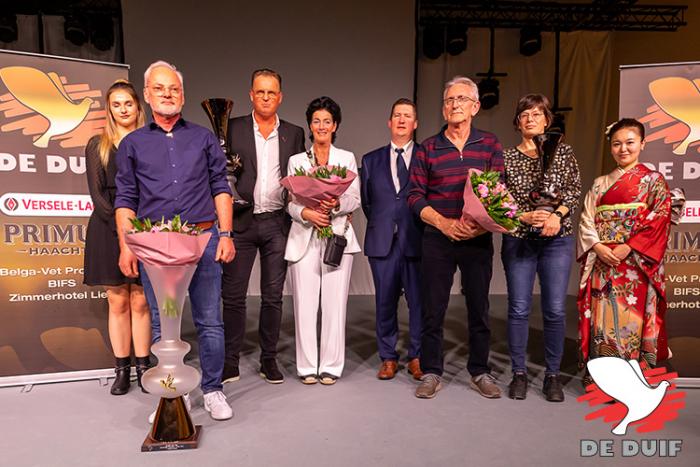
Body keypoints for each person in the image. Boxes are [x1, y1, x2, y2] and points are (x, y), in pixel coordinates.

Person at [115, 60, 235, 421]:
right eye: (160, 88)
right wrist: (126, 245)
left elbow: (220, 187)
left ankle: (213, 390)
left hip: (203, 239)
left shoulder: (203, 138)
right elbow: (125, 198)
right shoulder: (133, 143)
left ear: (182, 95)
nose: (168, 94)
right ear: (148, 94)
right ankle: (170, 394)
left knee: (210, 320)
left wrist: (225, 234)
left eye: (174, 89)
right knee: (162, 324)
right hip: (154, 247)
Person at [407, 76, 503, 400]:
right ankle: (432, 371)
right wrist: (444, 224)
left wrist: (478, 225)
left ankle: (480, 370)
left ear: (475, 106)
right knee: (433, 309)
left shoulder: (489, 145)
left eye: (461, 99)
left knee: (479, 308)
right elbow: (415, 197)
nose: (454, 105)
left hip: (477, 240)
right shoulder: (428, 148)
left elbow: (498, 196)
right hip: (437, 239)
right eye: (449, 100)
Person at [221, 69, 305, 385]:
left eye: (272, 92)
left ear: (280, 97)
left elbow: (300, 177)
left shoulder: (294, 133)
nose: (266, 98)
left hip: (276, 224)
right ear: (251, 95)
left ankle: (268, 359)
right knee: (233, 296)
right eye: (261, 92)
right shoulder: (231, 128)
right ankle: (230, 361)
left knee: (273, 296)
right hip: (241, 222)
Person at [577, 118, 671, 385]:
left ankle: (632, 379)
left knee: (631, 319)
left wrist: (629, 246)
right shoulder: (599, 183)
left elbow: (660, 216)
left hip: (635, 264)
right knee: (602, 320)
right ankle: (602, 378)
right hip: (603, 260)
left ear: (642, 143)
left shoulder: (653, 181)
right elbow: (587, 219)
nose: (623, 149)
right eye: (617, 144)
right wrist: (596, 246)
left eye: (630, 142)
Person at [501, 94, 581, 402]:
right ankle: (519, 373)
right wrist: (522, 215)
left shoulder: (562, 152)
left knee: (555, 309)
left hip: (556, 240)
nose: (531, 118)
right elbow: (497, 199)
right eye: (525, 114)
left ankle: (552, 376)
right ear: (518, 122)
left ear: (547, 121)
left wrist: (557, 216)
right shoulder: (507, 157)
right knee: (519, 308)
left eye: (537, 114)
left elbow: (574, 189)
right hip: (520, 238)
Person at [285, 96, 361, 385]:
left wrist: (335, 205)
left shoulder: (346, 158)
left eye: (326, 121)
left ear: (335, 125)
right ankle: (306, 367)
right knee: (304, 306)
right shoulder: (297, 161)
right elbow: (289, 204)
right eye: (316, 121)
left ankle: (330, 365)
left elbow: (355, 197)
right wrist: (307, 212)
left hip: (337, 237)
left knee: (334, 305)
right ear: (310, 125)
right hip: (304, 237)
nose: (321, 126)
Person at [83, 79, 150, 396]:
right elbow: (98, 195)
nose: (123, 109)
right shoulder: (98, 145)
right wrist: (125, 227)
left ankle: (145, 368)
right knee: (118, 301)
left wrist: (141, 227)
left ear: (139, 106)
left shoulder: (152, 144)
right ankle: (122, 370)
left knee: (141, 301)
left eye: (128, 103)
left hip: (148, 229)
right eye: (116, 104)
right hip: (108, 227)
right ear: (109, 109)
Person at [360, 98, 423, 381]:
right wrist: (388, 223)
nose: (401, 120)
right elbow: (367, 202)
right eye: (396, 115)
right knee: (385, 301)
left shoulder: (425, 156)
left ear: (415, 123)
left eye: (407, 116)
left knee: (419, 302)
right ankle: (388, 357)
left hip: (417, 240)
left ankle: (417, 356)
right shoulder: (370, 160)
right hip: (382, 240)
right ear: (389, 122)